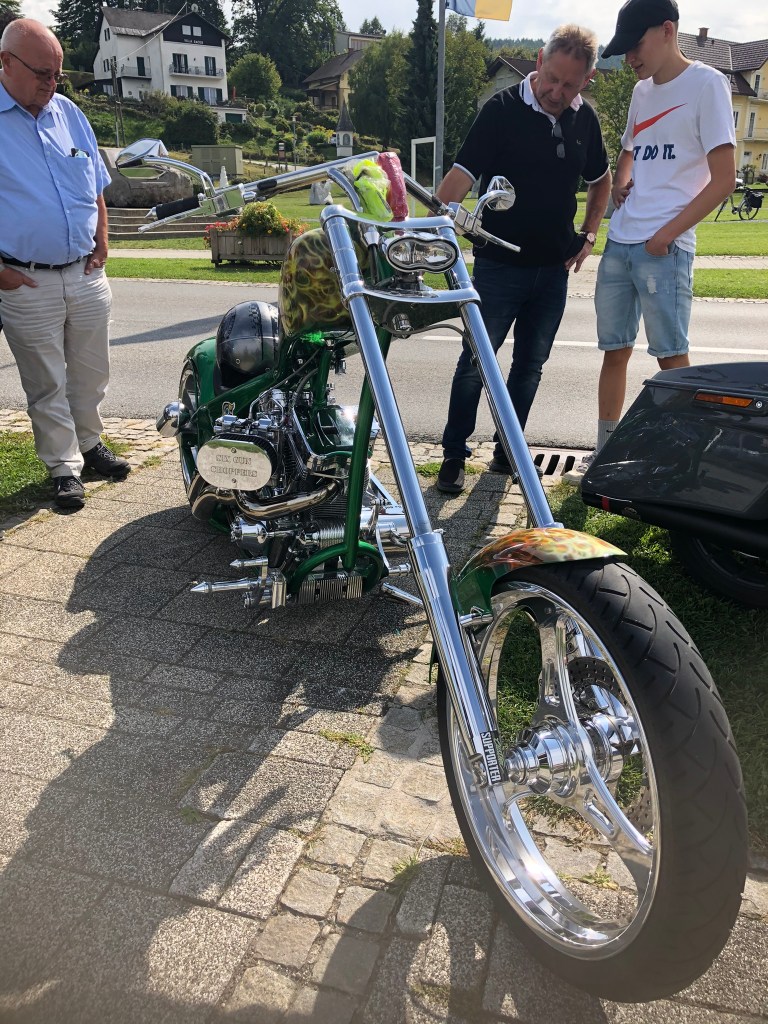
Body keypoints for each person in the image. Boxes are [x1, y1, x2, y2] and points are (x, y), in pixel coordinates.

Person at [563, 0, 736, 485]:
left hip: (664, 247)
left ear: (667, 30)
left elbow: (725, 180)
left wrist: (665, 237)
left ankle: (683, 464)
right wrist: (622, 183)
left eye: (635, 46)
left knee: (671, 358)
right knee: (614, 351)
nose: (629, 59)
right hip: (621, 242)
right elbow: (629, 151)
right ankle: (604, 456)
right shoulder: (641, 92)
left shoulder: (708, 84)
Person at [436, 24, 611, 495]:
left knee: (530, 367)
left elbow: (601, 180)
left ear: (587, 80)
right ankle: (453, 454)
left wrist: (589, 234)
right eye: (552, 78)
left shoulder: (585, 120)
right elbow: (460, 177)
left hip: (553, 271)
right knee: (475, 362)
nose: (557, 92)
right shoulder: (501, 110)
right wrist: (431, 227)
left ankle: (506, 450)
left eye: (570, 84)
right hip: (497, 267)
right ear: (538, 61)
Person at [0, 18, 130, 510]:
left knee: (92, 371)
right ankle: (63, 467)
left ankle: (91, 445)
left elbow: (94, 185)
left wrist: (103, 239)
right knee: (46, 381)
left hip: (86, 272)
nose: (51, 83)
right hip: (25, 278)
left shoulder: (69, 113)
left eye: (57, 74)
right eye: (42, 73)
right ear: (6, 62)